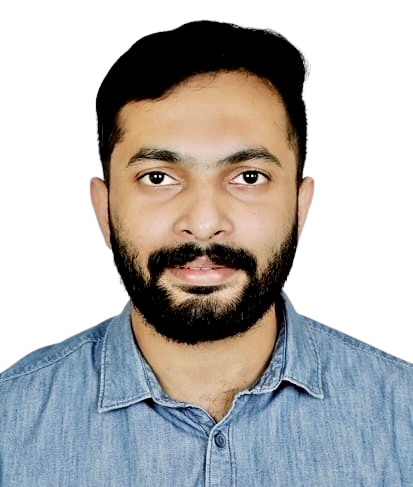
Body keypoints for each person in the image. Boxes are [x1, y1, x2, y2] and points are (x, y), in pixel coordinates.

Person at [1, 20, 411, 486]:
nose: (202, 222)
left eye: (249, 177)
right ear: (103, 209)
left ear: (301, 207)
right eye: (158, 177)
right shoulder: (9, 421)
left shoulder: (403, 416)